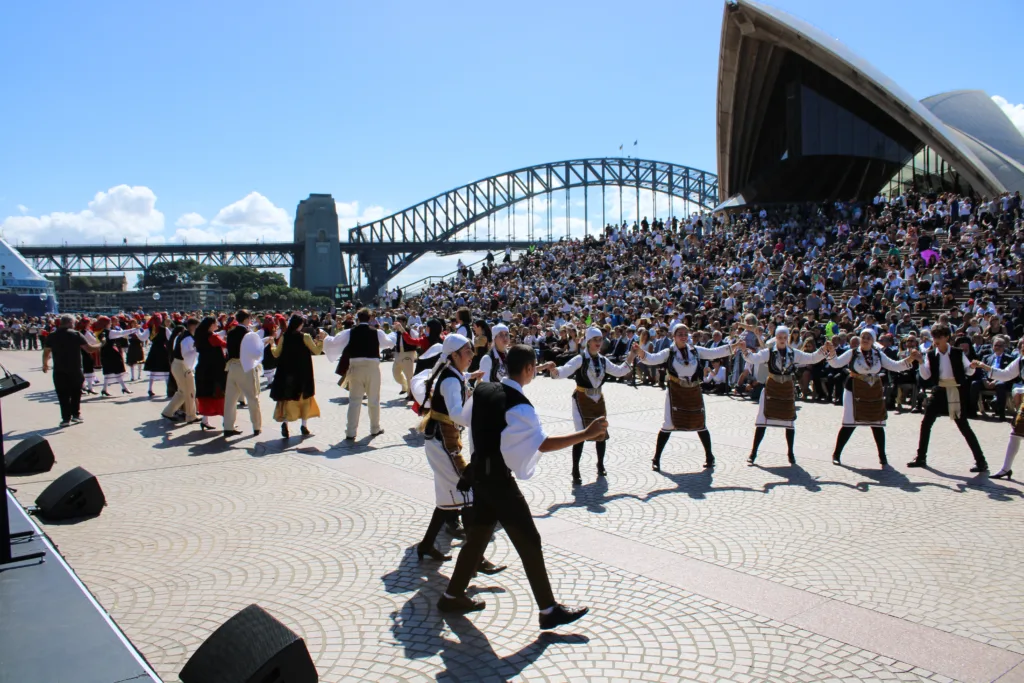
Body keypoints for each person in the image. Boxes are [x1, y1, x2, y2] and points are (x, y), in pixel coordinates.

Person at [438, 345, 606, 628]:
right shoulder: (520, 405)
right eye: (534, 368)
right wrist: (586, 434)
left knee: (477, 539)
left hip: (479, 476)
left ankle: (452, 595)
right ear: (529, 369)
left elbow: (464, 418)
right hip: (498, 483)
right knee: (530, 541)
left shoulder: (482, 390)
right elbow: (542, 444)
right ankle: (549, 610)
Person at [411, 334, 504, 574]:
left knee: (447, 501)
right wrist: (479, 413)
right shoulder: (451, 380)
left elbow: (459, 381)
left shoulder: (452, 374)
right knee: (469, 494)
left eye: (472, 351)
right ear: (453, 355)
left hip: (442, 440)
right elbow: (456, 413)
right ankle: (476, 558)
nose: (472, 355)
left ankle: (426, 545)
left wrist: (470, 379)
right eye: (467, 352)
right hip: (445, 443)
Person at [633, 324, 736, 471]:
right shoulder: (669, 352)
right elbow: (652, 358)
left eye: (685, 333)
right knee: (668, 424)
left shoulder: (695, 350)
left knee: (700, 422)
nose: (683, 336)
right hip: (676, 391)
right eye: (680, 334)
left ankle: (710, 456)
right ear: (674, 336)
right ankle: (656, 458)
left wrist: (735, 346)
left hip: (693, 390)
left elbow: (714, 353)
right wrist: (640, 352)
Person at [538, 328, 634, 484]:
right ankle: (575, 469)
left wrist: (632, 356)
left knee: (601, 432)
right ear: (588, 342)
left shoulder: (603, 360)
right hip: (582, 398)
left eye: (600, 339)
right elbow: (564, 370)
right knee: (580, 434)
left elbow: (619, 371)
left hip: (598, 398)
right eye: (595, 339)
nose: (598, 342)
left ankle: (600, 464)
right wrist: (554, 370)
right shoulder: (580, 359)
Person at [823, 329, 920, 467]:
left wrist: (910, 359)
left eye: (869, 337)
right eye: (863, 336)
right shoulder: (852, 353)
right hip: (854, 389)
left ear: (873, 340)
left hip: (873, 389)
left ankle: (882, 457)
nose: (865, 339)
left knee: (877, 424)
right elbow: (836, 363)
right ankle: (836, 454)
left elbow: (895, 366)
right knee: (849, 423)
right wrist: (832, 352)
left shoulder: (878, 354)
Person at [740, 326, 827, 465]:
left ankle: (790, 454)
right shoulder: (769, 352)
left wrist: (823, 350)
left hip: (786, 388)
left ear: (788, 338)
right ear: (776, 338)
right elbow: (753, 358)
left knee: (789, 422)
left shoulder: (793, 353)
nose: (782, 340)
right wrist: (744, 350)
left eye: (784, 338)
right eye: (779, 337)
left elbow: (811, 358)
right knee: (762, 422)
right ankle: (753, 453)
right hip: (772, 387)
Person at [908, 323, 987, 472]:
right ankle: (921, 457)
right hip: (939, 391)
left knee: (963, 426)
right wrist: (920, 362)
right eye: (934, 337)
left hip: (956, 392)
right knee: (926, 423)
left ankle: (981, 461)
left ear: (946, 337)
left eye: (939, 337)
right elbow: (926, 375)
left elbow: (968, 372)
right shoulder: (931, 354)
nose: (936, 340)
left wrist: (972, 367)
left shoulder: (957, 353)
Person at [322, 308, 396, 440]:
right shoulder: (377, 332)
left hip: (355, 368)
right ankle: (375, 428)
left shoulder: (349, 332)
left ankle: (351, 432)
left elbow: (333, 342)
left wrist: (325, 337)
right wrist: (395, 333)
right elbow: (389, 343)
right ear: (370, 318)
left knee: (354, 400)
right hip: (372, 368)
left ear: (358, 318)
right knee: (374, 399)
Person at [270, 314, 326, 438]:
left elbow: (276, 353)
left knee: (288, 398)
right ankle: (304, 425)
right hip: (302, 372)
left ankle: (285, 423)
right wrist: (321, 340)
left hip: (287, 373)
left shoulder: (285, 336)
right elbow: (316, 351)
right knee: (304, 398)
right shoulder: (305, 337)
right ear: (300, 325)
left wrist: (272, 344)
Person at [42, 314, 101, 427]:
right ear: (70, 323)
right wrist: (100, 345)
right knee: (75, 393)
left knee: (62, 394)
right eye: (73, 323)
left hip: (59, 369)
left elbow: (46, 351)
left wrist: (45, 364)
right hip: (75, 369)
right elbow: (89, 349)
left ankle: (65, 419)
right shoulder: (75, 334)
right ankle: (76, 415)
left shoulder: (52, 335)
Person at [973, 351, 1024, 479]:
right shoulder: (1021, 360)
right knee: (1016, 434)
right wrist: (985, 367)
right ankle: (1006, 468)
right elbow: (1006, 374)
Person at [223, 310, 268, 437]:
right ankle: (256, 426)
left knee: (230, 399)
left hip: (232, 366)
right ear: (247, 319)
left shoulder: (231, 333)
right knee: (252, 397)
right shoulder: (249, 334)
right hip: (245, 367)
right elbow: (256, 353)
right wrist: (265, 343)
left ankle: (228, 426)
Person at [162, 317, 200, 424]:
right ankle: (190, 415)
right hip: (183, 366)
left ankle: (170, 412)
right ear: (193, 326)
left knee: (184, 392)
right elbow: (187, 355)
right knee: (189, 391)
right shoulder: (188, 338)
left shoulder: (183, 336)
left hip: (178, 365)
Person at [193, 316, 228, 431]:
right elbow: (225, 345)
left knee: (206, 394)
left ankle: (205, 420)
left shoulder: (201, 336)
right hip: (215, 370)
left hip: (203, 368)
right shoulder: (212, 336)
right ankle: (226, 421)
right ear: (210, 325)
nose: (217, 325)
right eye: (215, 323)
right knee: (220, 394)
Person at [95, 316, 133, 396]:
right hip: (111, 353)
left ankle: (105, 389)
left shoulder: (99, 332)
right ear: (106, 324)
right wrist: (133, 330)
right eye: (109, 322)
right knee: (117, 370)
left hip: (104, 353)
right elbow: (121, 333)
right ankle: (124, 388)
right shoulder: (108, 332)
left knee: (108, 371)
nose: (111, 323)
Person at [143, 314, 172, 397]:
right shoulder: (164, 329)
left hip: (154, 350)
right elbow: (171, 338)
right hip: (163, 350)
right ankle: (168, 389)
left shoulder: (150, 329)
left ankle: (150, 389)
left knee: (153, 370)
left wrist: (137, 331)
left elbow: (142, 338)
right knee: (166, 370)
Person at [391, 314, 418, 397]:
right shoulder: (396, 333)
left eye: (400, 321)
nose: (397, 323)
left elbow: (415, 340)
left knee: (409, 374)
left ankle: (410, 393)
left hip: (408, 354)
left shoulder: (410, 331)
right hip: (398, 354)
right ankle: (405, 385)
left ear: (404, 322)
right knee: (395, 372)